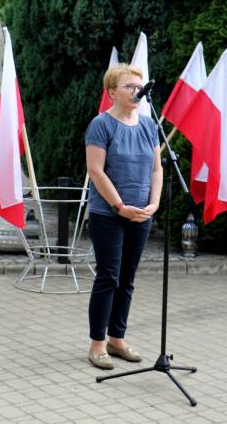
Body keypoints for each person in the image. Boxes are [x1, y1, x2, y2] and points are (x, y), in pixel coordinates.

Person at [85, 63, 163, 370]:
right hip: (109, 213)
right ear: (112, 92)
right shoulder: (101, 125)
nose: (136, 92)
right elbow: (96, 170)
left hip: (142, 213)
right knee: (109, 277)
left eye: (138, 86)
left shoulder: (148, 125)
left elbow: (157, 168)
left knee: (127, 279)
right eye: (129, 87)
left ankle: (118, 338)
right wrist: (120, 207)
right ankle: (97, 344)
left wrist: (154, 203)